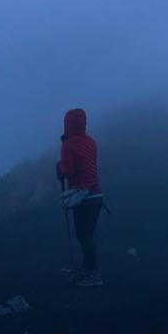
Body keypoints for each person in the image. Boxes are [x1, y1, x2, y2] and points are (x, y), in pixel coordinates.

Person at [57, 107, 104, 287]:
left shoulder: (68, 145)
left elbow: (67, 171)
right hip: (97, 194)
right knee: (87, 235)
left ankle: (93, 274)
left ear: (67, 124)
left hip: (82, 197)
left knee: (83, 235)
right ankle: (87, 269)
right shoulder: (91, 141)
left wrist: (60, 167)